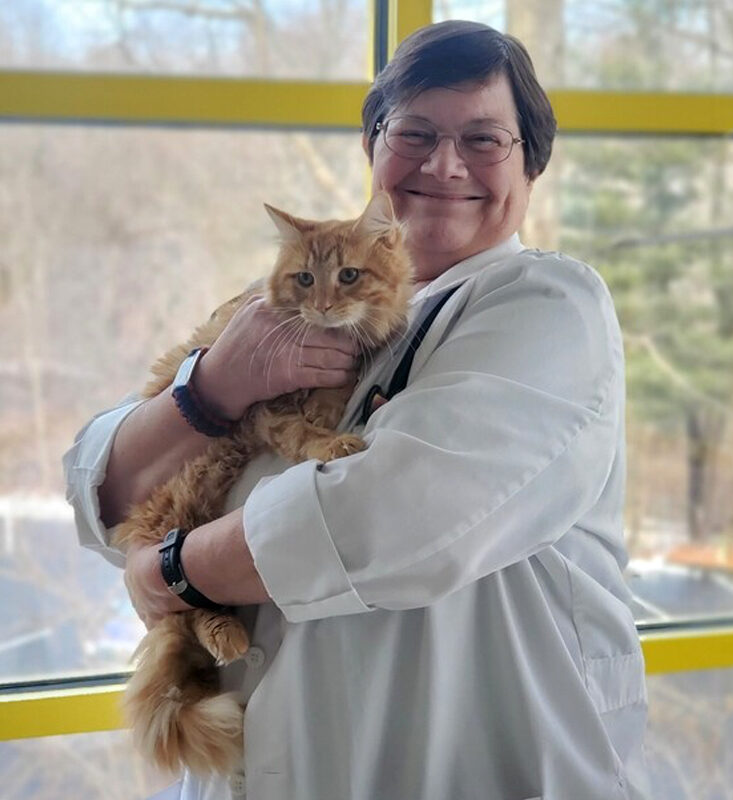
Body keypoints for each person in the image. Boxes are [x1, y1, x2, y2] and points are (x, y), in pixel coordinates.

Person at [64, 19, 650, 800]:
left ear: (532, 162)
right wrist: (210, 389)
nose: (445, 164)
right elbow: (102, 487)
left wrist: (174, 571)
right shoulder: (295, 298)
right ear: (373, 148)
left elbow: (393, 517)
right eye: (414, 132)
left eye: (484, 140)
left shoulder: (546, 306)